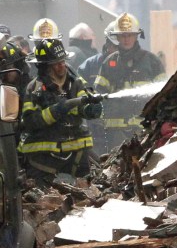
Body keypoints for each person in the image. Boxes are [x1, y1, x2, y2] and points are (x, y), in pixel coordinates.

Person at [17, 38, 102, 186]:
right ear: (44, 67)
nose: (61, 65)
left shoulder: (75, 82)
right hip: (44, 158)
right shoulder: (34, 88)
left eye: (62, 60)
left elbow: (83, 101)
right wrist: (55, 111)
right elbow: (30, 121)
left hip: (76, 152)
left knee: (94, 186)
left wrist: (90, 110)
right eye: (56, 63)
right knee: (38, 200)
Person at [94, 13, 165, 94]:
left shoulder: (152, 62)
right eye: (123, 35)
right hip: (117, 107)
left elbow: (163, 93)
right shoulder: (109, 62)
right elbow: (99, 93)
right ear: (117, 37)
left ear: (136, 36)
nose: (126, 39)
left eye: (130, 35)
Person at [78, 20, 119, 89]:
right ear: (108, 43)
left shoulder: (135, 64)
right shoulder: (89, 66)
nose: (119, 51)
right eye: (116, 47)